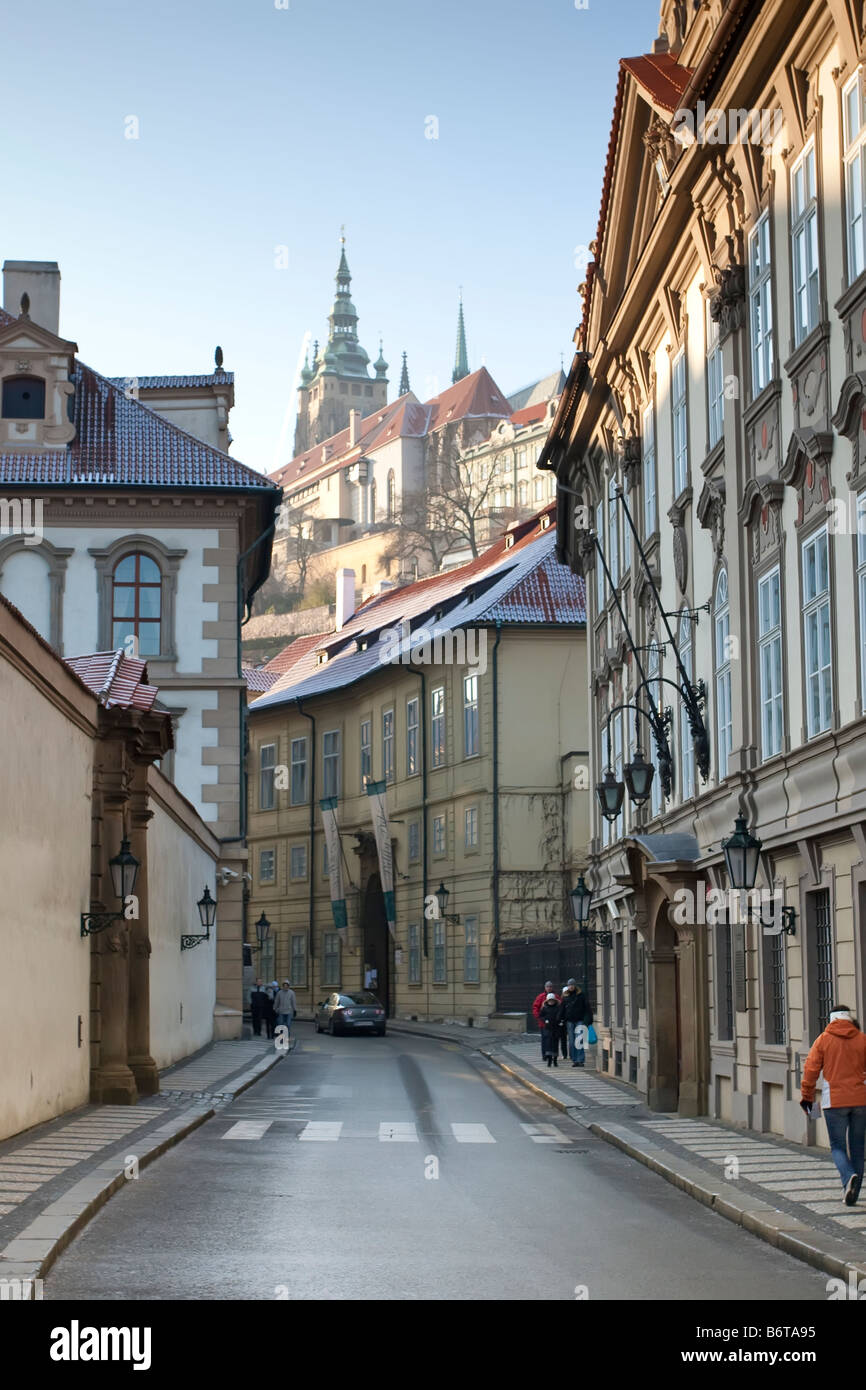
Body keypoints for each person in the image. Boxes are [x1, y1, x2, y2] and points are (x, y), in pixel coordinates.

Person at [801, 1004, 866, 1206]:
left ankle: (848, 1178)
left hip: (834, 1101)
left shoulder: (823, 1040)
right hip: (860, 1100)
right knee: (858, 1148)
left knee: (837, 1146)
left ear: (831, 1020)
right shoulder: (862, 1039)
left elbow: (811, 1070)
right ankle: (853, 1193)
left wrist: (807, 1097)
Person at [560, 979, 593, 1067]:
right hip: (570, 1021)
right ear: (567, 986)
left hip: (579, 1020)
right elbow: (562, 1009)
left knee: (579, 1040)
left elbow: (587, 1007)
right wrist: (559, 1019)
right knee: (571, 1041)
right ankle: (574, 1060)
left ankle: (580, 1060)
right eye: (569, 985)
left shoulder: (581, 995)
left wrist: (589, 1019)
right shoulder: (565, 996)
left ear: (575, 985)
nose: (571, 986)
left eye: (572, 985)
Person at [538, 993, 562, 1067]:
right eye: (550, 1000)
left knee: (555, 1044)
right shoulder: (545, 1008)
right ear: (547, 1001)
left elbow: (560, 1015)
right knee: (548, 1044)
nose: (551, 1002)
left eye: (552, 1000)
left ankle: (555, 1060)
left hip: (556, 1028)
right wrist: (545, 1020)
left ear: (554, 1001)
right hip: (548, 1028)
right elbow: (541, 1016)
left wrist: (560, 1021)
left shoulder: (558, 1008)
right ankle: (549, 1060)